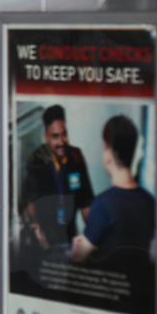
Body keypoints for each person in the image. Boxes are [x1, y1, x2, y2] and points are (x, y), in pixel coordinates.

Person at [70, 115, 154, 264]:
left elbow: (79, 257)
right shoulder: (150, 202)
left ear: (108, 155)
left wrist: (78, 246)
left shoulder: (103, 205)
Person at [19, 105, 95, 253]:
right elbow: (30, 202)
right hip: (45, 242)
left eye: (64, 134)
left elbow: (86, 203)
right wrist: (37, 230)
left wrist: (92, 237)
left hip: (71, 239)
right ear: (46, 136)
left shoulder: (76, 156)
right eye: (55, 136)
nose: (61, 141)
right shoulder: (37, 160)